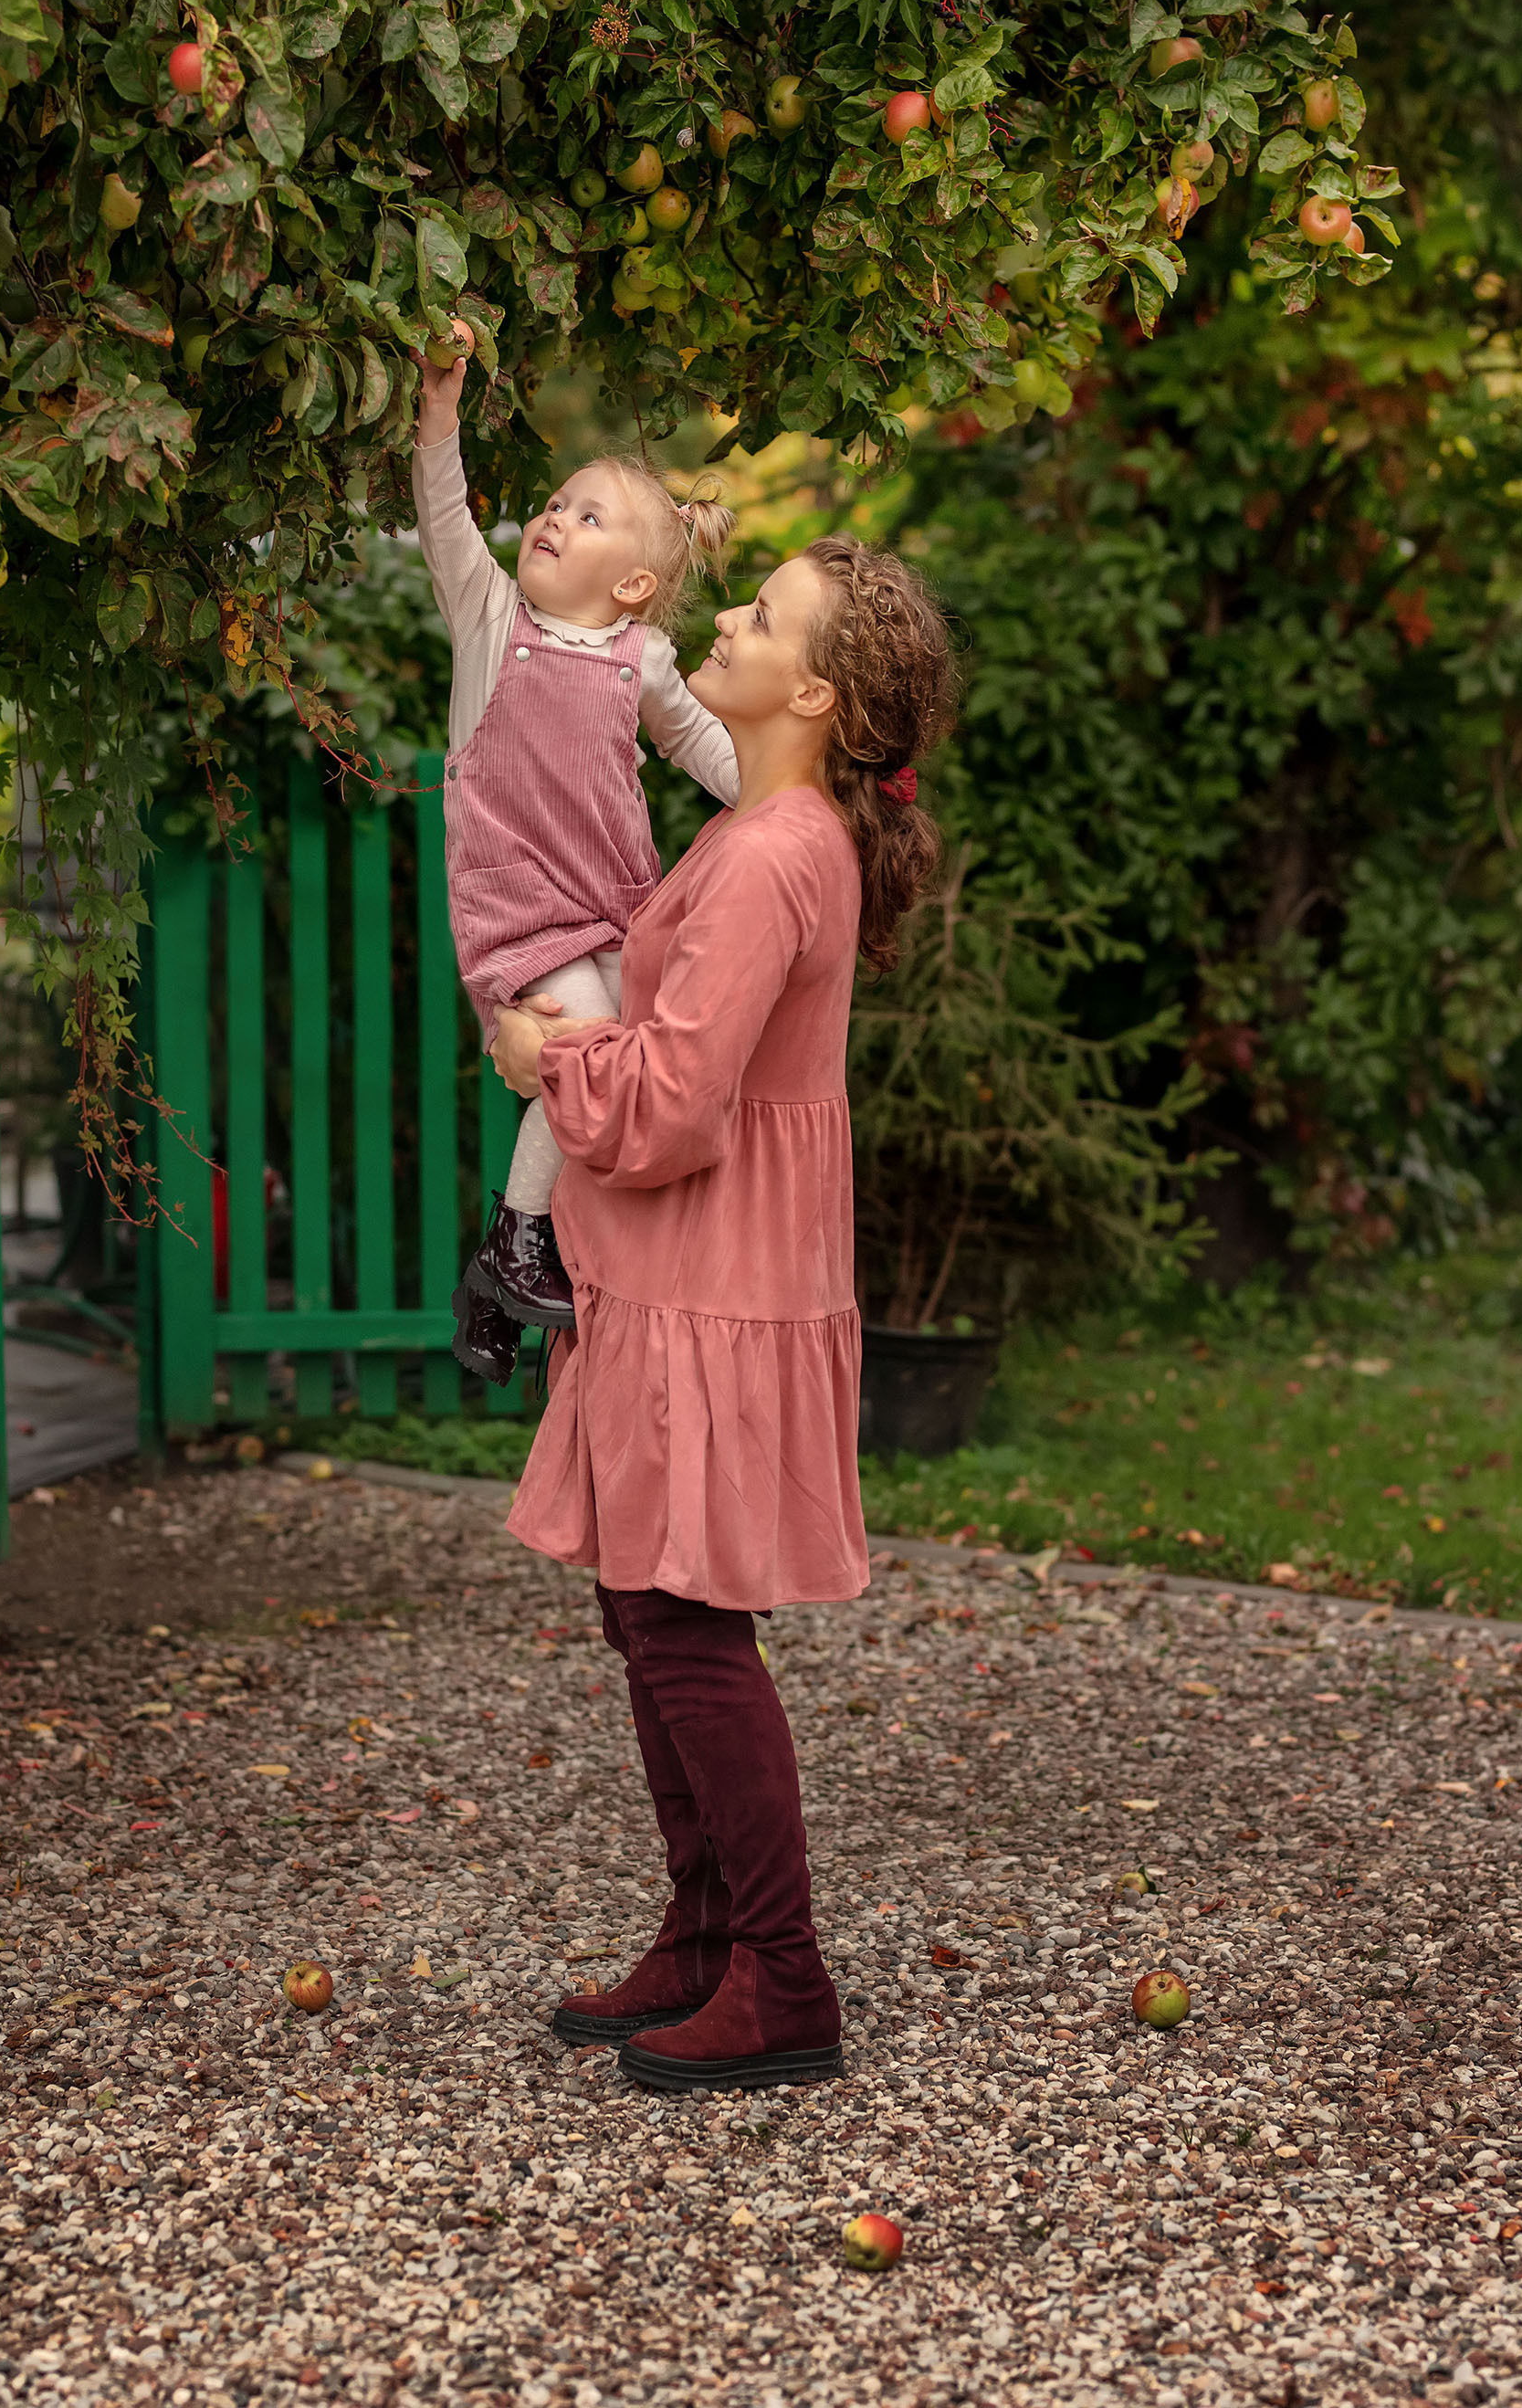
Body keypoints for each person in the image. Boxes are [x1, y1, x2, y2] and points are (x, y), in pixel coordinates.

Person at [490, 533, 956, 2093]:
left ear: (813, 689)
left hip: (712, 1277)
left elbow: (681, 1099)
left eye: (762, 618)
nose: (730, 623)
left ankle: (783, 1975)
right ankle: (702, 1938)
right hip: (677, 1274)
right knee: (647, 1607)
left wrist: (547, 1068)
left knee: (685, 1627)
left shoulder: (771, 854)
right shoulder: (762, 827)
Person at [411, 351, 739, 1385]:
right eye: (557, 504)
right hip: (515, 914)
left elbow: (702, 747)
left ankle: (510, 1282)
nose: (554, 519)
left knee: (622, 1079)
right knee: (587, 1055)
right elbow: (446, 517)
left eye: (588, 517)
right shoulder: (490, 620)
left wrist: (787, 793)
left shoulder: (638, 658)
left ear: (634, 585)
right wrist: (440, 406)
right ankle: (516, 1238)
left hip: (613, 911)